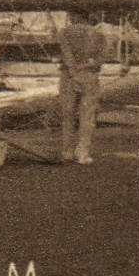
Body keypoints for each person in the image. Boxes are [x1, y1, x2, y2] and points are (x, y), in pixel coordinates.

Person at [57, 9, 107, 165]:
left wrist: (73, 72)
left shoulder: (64, 33)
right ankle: (83, 152)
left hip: (68, 77)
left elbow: (65, 55)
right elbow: (100, 60)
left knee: (68, 115)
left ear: (74, 16)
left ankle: (67, 151)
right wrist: (85, 67)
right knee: (88, 115)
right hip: (89, 76)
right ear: (88, 17)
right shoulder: (99, 35)